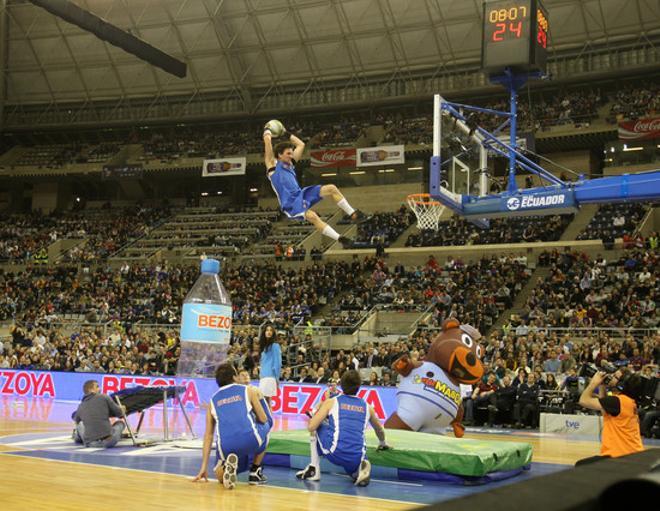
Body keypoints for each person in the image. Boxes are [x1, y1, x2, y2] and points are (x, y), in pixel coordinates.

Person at [263, 126, 368, 247]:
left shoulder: (291, 163)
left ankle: (353, 214)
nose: (291, 156)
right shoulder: (272, 166)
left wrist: (285, 133)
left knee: (332, 188)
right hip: (290, 202)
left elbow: (301, 144)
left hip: (300, 193)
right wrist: (267, 132)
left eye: (292, 153)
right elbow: (268, 144)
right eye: (288, 154)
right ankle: (340, 239)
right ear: (279, 155)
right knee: (313, 216)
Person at [296, 370, 388, 486]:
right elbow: (379, 429)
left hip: (335, 452)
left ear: (341, 384)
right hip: (357, 456)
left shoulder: (331, 402)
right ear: (359, 386)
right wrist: (382, 443)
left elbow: (311, 427)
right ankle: (359, 470)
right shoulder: (368, 407)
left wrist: (316, 416)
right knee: (352, 469)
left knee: (317, 426)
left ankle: (314, 469)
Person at [193, 363, 272, 488]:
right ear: (235, 377)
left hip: (226, 447)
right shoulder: (249, 390)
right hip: (251, 439)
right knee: (269, 424)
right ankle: (255, 471)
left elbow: (208, 436)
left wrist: (203, 467)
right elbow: (263, 419)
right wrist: (261, 397)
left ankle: (226, 469)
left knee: (220, 476)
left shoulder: (212, 401)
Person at [576, 370, 644, 464]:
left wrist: (593, 383)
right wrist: (602, 386)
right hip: (633, 455)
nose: (610, 376)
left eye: (615, 376)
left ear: (621, 384)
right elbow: (605, 409)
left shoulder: (617, 401)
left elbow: (583, 400)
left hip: (620, 457)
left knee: (580, 465)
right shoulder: (626, 401)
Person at [72, 380, 126, 448]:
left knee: (80, 425)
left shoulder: (81, 406)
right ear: (91, 390)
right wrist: (122, 409)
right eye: (97, 387)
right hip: (109, 441)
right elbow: (120, 414)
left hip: (90, 443)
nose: (100, 389)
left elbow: (76, 422)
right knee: (120, 423)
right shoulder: (104, 397)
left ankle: (77, 437)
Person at [258, 323, 281, 407]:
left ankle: (267, 419)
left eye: (271, 330)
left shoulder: (275, 345)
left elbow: (277, 363)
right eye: (267, 330)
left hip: (270, 376)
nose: (269, 332)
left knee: (264, 402)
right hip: (263, 376)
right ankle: (268, 419)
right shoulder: (264, 347)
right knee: (266, 402)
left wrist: (277, 378)